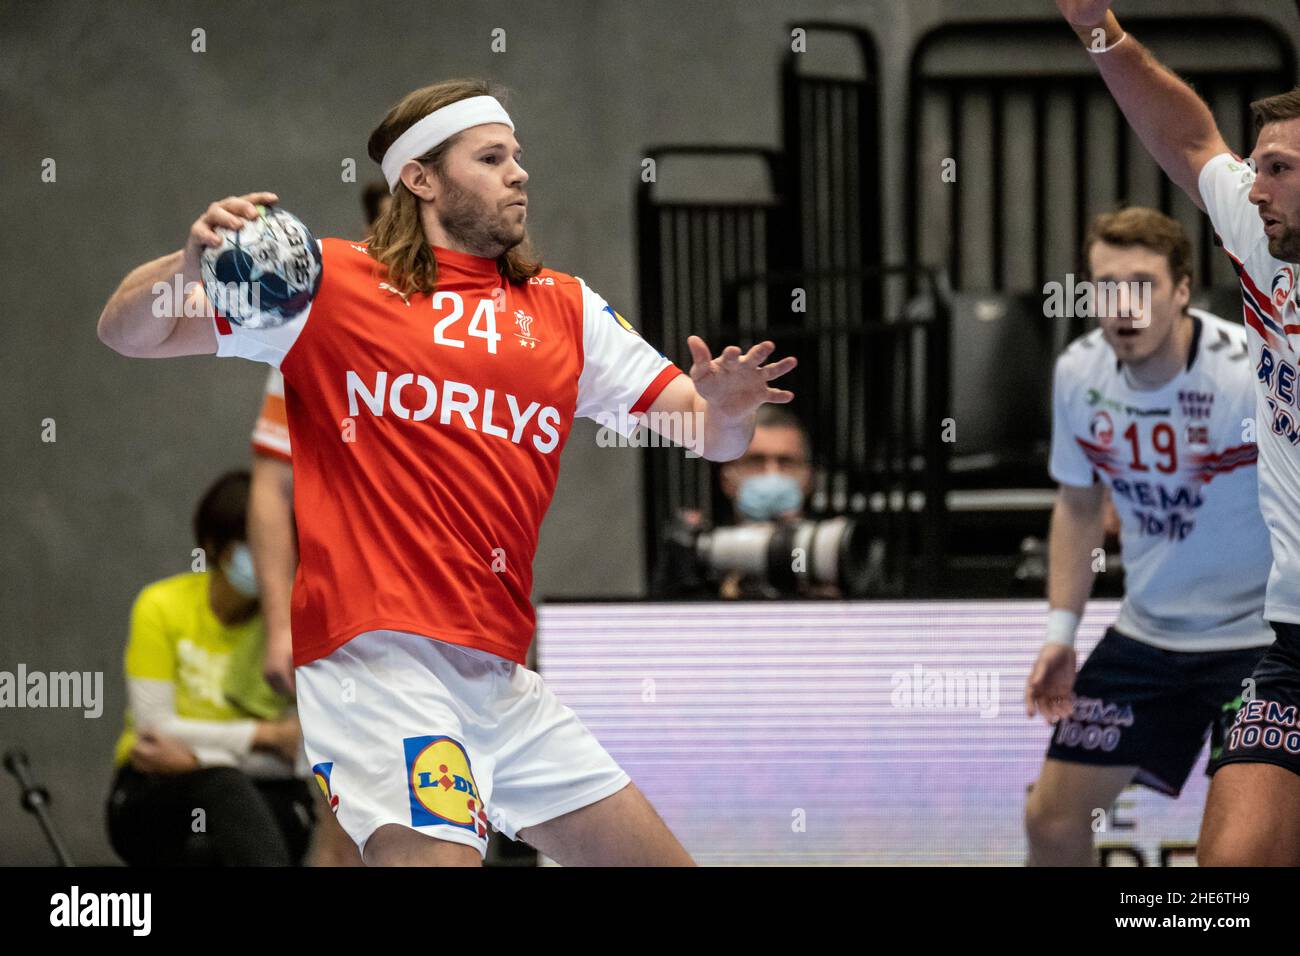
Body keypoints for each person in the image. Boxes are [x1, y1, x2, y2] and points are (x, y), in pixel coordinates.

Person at [96, 78, 797, 866]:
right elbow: (128, 332)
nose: (519, 173)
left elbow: (708, 436)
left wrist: (732, 408)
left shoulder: (564, 310)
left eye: (518, 157)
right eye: (492, 157)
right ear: (422, 180)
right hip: (377, 663)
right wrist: (185, 265)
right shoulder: (327, 286)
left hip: (498, 673)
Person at [1057, 0, 1300, 865]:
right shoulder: (1266, 243)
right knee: (1227, 874)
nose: (1252, 185)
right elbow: (1190, 139)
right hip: (1293, 639)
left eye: (1275, 168)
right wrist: (1098, 29)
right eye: (1259, 167)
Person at [1023, 207, 1272, 865]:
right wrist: (1059, 634)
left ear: (1182, 290)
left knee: (1234, 858)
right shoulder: (1080, 372)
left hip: (1260, 642)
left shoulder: (1249, 373)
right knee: (1050, 822)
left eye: (1142, 285)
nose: (1122, 306)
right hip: (1148, 633)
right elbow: (1077, 507)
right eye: (1105, 288)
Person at [250, 181, 391, 867]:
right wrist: (280, 625)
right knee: (348, 830)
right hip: (349, 627)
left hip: (462, 629)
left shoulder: (490, 330)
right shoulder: (318, 330)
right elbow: (273, 488)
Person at [105, 470, 315, 866]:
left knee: (244, 800)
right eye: (257, 545)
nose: (274, 558)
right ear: (215, 546)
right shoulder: (161, 606)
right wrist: (265, 734)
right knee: (223, 787)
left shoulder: (294, 625)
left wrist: (197, 756)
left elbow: (301, 750)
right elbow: (154, 735)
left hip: (269, 789)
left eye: (286, 547)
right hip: (156, 788)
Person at [651, 404, 821, 598]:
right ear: (727, 479)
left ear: (809, 479)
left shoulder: (829, 555)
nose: (771, 474)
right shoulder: (704, 558)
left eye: (786, 462)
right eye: (755, 461)